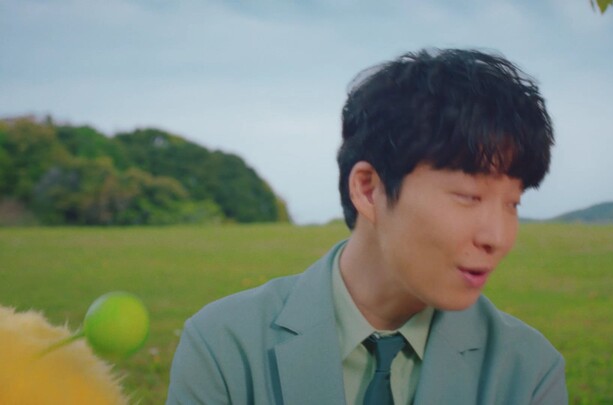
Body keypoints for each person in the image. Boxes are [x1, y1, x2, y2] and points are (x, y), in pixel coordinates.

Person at [167, 48, 568, 405]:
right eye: (469, 196)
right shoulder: (225, 347)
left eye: (513, 203)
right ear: (368, 189)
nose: (497, 237)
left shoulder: (528, 371)